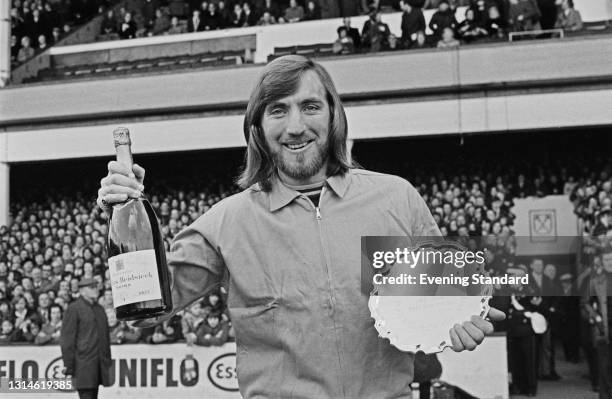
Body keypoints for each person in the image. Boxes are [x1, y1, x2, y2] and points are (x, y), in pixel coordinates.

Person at [96, 55, 504, 399]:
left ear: (333, 115)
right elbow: (147, 309)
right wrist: (123, 214)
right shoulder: (226, 223)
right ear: (257, 128)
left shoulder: (397, 199)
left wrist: (462, 320)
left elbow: (443, 297)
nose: (295, 126)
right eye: (278, 110)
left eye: (309, 106)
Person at [60, 278, 111, 399]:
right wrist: (69, 366)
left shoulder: (99, 309)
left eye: (96, 286)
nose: (95, 290)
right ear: (82, 291)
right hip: (83, 364)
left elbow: (105, 337)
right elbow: (67, 340)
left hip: (98, 364)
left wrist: (107, 362)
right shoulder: (74, 308)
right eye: (91, 287)